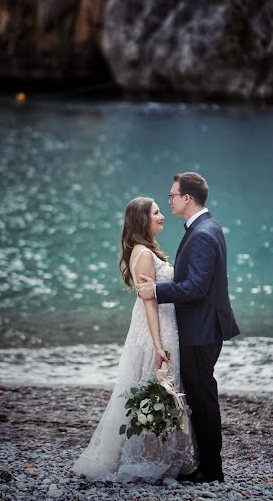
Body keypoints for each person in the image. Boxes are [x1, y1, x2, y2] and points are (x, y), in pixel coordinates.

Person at [72, 197, 196, 483]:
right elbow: (148, 302)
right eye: (156, 213)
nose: (162, 216)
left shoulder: (148, 251)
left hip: (166, 326)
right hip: (156, 330)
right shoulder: (141, 253)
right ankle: (144, 459)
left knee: (162, 391)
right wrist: (157, 344)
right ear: (142, 219)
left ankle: (159, 456)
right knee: (154, 390)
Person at [136, 172, 240, 484]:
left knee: (202, 396)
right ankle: (207, 464)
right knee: (200, 394)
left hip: (202, 329)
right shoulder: (204, 229)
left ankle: (211, 469)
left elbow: (196, 288)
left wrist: (156, 290)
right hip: (202, 327)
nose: (168, 201)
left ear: (187, 199)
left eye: (172, 195)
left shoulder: (203, 234)